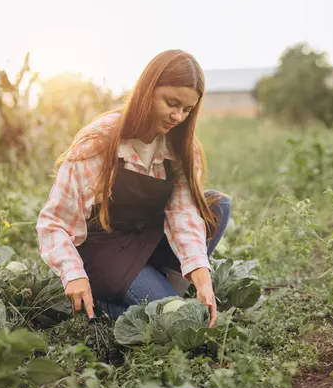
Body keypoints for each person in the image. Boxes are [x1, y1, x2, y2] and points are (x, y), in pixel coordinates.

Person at [36, 49, 231, 328]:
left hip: (146, 239)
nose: (178, 116)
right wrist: (73, 274)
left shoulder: (179, 148)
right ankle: (107, 302)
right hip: (106, 252)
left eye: (187, 110)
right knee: (181, 324)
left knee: (217, 205)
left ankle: (159, 290)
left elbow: (183, 214)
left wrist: (200, 273)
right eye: (171, 103)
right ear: (147, 90)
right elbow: (54, 222)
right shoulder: (102, 140)